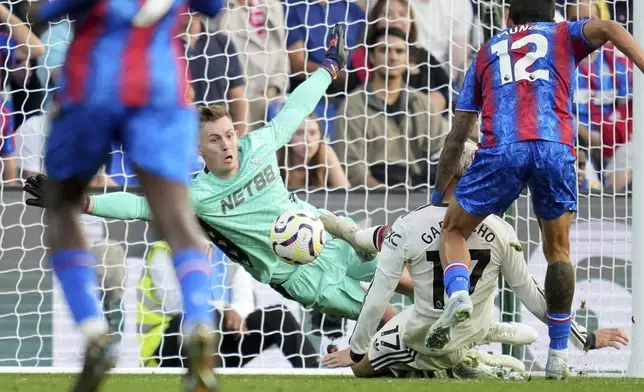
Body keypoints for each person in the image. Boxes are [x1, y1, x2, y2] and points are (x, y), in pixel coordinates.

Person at [23, 25, 413, 326]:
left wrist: (329, 68)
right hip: (294, 275)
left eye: (229, 134)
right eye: (215, 140)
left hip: (322, 236)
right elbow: (140, 206)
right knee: (381, 313)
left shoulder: (257, 146)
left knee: (403, 273)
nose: (227, 145)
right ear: (198, 149)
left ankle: (453, 316)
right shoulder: (200, 194)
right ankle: (433, 354)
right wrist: (83, 201)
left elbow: (295, 107)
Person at [429, 0, 644, 379]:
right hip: (554, 146)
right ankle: (558, 356)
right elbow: (609, 29)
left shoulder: (486, 50)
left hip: (502, 150)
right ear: (552, 15)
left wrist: (437, 194)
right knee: (558, 250)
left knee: (453, 230)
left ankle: (459, 294)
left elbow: (458, 134)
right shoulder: (564, 34)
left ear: (507, 16)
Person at [29, 1, 225, 391]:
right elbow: (214, 6)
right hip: (160, 85)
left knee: (63, 208)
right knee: (173, 214)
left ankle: (93, 332)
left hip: (94, 82)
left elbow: (43, 11)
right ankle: (200, 322)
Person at [320, 141, 630, 378]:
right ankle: (470, 354)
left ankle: (450, 364)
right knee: (466, 322)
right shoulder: (500, 229)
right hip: (471, 330)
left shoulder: (408, 225)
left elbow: (378, 294)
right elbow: (534, 296)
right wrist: (584, 338)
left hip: (423, 335)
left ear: (446, 172)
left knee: (361, 370)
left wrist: (357, 349)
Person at [138, 241, 319, 369]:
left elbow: (245, 299)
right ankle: (206, 375)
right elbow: (175, 304)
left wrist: (233, 314)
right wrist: (224, 309)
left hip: (221, 342)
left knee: (277, 316)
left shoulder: (228, 251)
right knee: (206, 317)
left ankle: (315, 375)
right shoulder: (163, 251)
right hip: (166, 350)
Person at [276, 112, 350, 190]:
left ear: (320, 136)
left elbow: (346, 194)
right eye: (300, 133)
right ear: (287, 137)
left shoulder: (325, 152)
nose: (308, 140)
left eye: (313, 133)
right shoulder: (275, 156)